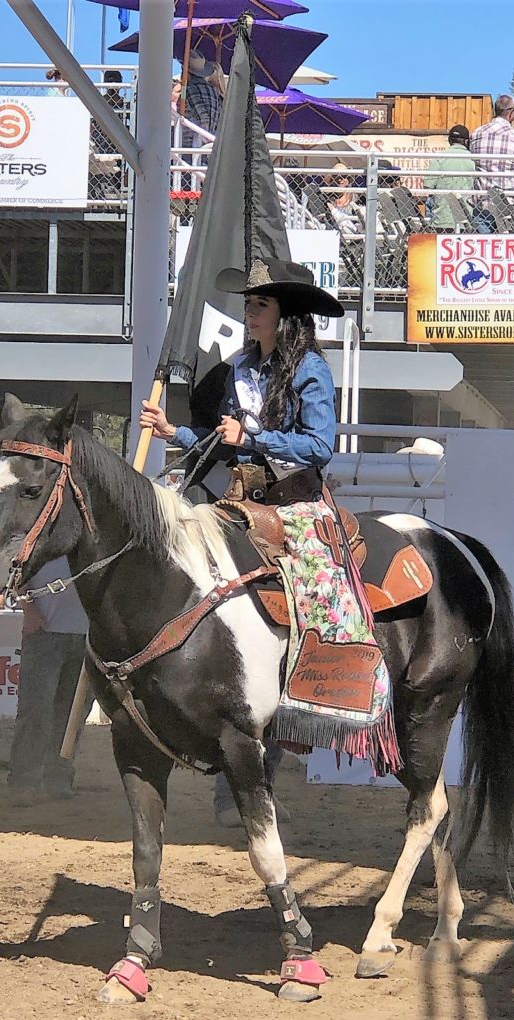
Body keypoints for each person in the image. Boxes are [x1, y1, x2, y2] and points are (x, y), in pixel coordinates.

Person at [139, 256, 344, 827]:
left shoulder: (311, 373)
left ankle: (315, 698)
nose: (248, 313)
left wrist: (250, 433)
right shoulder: (239, 370)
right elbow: (225, 444)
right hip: (242, 501)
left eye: (259, 305)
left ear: (286, 316)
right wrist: (174, 433)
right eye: (248, 304)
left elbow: (319, 447)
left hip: (295, 504)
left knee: (317, 599)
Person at [9, 557, 90, 805]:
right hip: (43, 632)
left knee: (72, 714)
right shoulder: (44, 530)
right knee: (35, 709)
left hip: (86, 636)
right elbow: (16, 570)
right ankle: (25, 780)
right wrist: (29, 610)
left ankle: (58, 777)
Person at [469, 94, 514, 232]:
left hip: (482, 201)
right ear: (511, 113)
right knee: (508, 250)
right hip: (508, 203)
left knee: (482, 248)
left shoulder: (476, 134)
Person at [423, 124, 475, 231]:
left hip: (442, 219)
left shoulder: (439, 158)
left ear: (449, 140)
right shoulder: (473, 160)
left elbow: (428, 185)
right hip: (466, 219)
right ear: (466, 141)